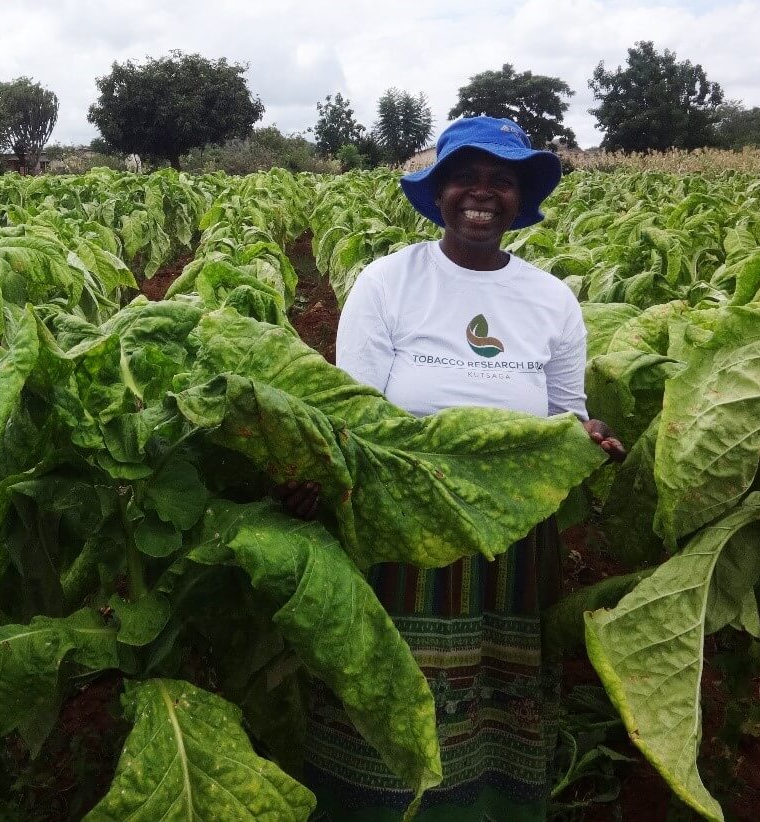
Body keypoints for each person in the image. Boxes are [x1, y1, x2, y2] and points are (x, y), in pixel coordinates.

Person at [281, 116, 625, 821]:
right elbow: (353, 412)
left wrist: (587, 436)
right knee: (389, 686)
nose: (481, 193)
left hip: (510, 530)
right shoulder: (389, 282)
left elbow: (565, 413)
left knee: (500, 697)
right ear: (438, 192)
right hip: (403, 528)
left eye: (500, 181)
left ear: (518, 199)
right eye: (465, 177)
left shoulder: (550, 298)